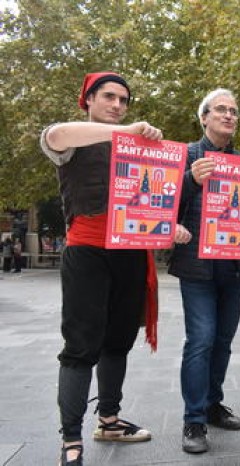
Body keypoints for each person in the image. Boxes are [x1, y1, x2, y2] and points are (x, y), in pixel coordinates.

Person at [40, 71, 185, 466]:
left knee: (118, 340)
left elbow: (152, 197)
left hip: (130, 250)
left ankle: (109, 419)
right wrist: (128, 133)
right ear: (87, 100)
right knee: (81, 345)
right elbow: (56, 136)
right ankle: (71, 436)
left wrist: (170, 225)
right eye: (109, 97)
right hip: (87, 251)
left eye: (123, 100)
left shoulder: (136, 147)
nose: (117, 105)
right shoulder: (72, 138)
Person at [168, 88, 240, 454]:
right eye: (221, 110)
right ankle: (193, 420)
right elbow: (160, 208)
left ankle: (213, 405)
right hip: (196, 268)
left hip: (235, 267)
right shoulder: (185, 157)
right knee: (201, 339)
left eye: (233, 111)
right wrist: (188, 180)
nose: (229, 115)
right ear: (204, 117)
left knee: (224, 342)